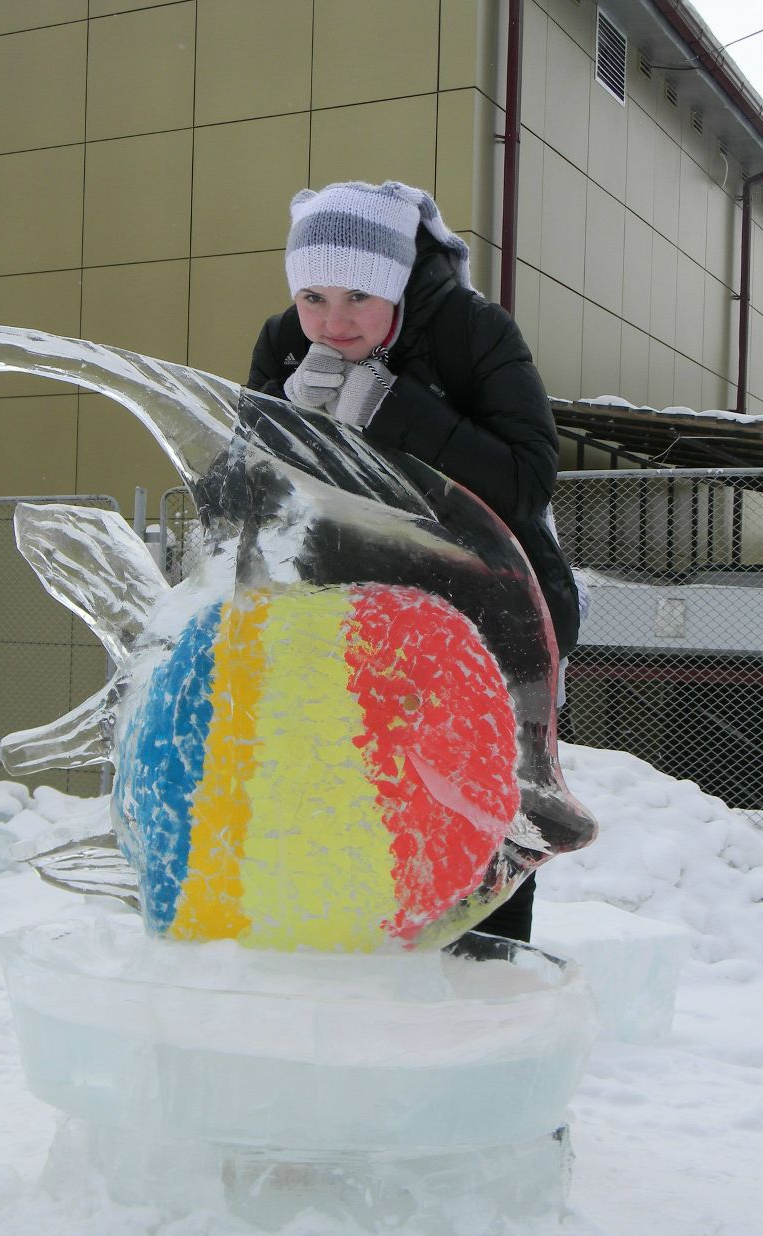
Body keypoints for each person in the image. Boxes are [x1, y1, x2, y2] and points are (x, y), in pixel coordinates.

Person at [247, 180, 579, 943]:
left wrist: (391, 408)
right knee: (364, 791)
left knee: (485, 804)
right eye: (313, 297)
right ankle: (368, 959)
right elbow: (243, 487)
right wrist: (287, 420)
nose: (334, 323)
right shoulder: (286, 346)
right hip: (359, 609)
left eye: (359, 295)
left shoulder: (472, 332)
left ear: (396, 280)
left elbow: (529, 481)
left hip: (496, 612)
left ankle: (485, 973)